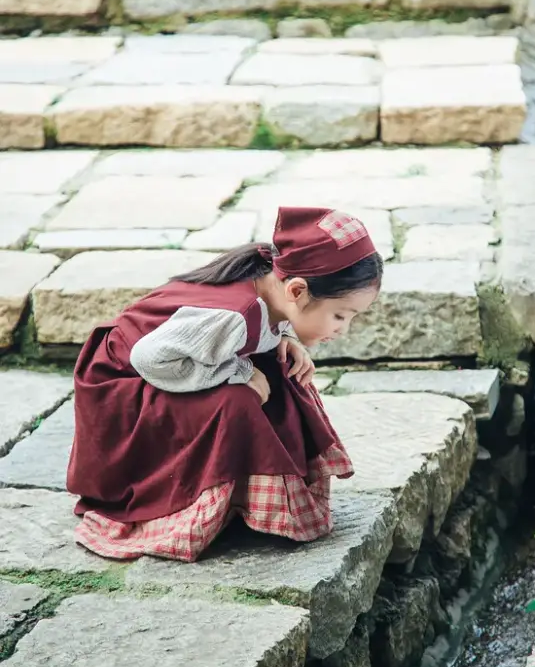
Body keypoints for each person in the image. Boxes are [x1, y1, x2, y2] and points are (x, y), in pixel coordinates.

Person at [67, 206, 383, 562]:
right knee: (237, 400)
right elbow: (149, 358)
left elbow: (260, 328)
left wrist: (284, 338)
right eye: (340, 316)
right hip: (123, 388)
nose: (343, 329)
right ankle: (190, 503)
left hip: (166, 363)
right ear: (296, 289)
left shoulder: (271, 287)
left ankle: (247, 496)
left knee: (283, 371)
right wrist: (241, 373)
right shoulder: (233, 317)